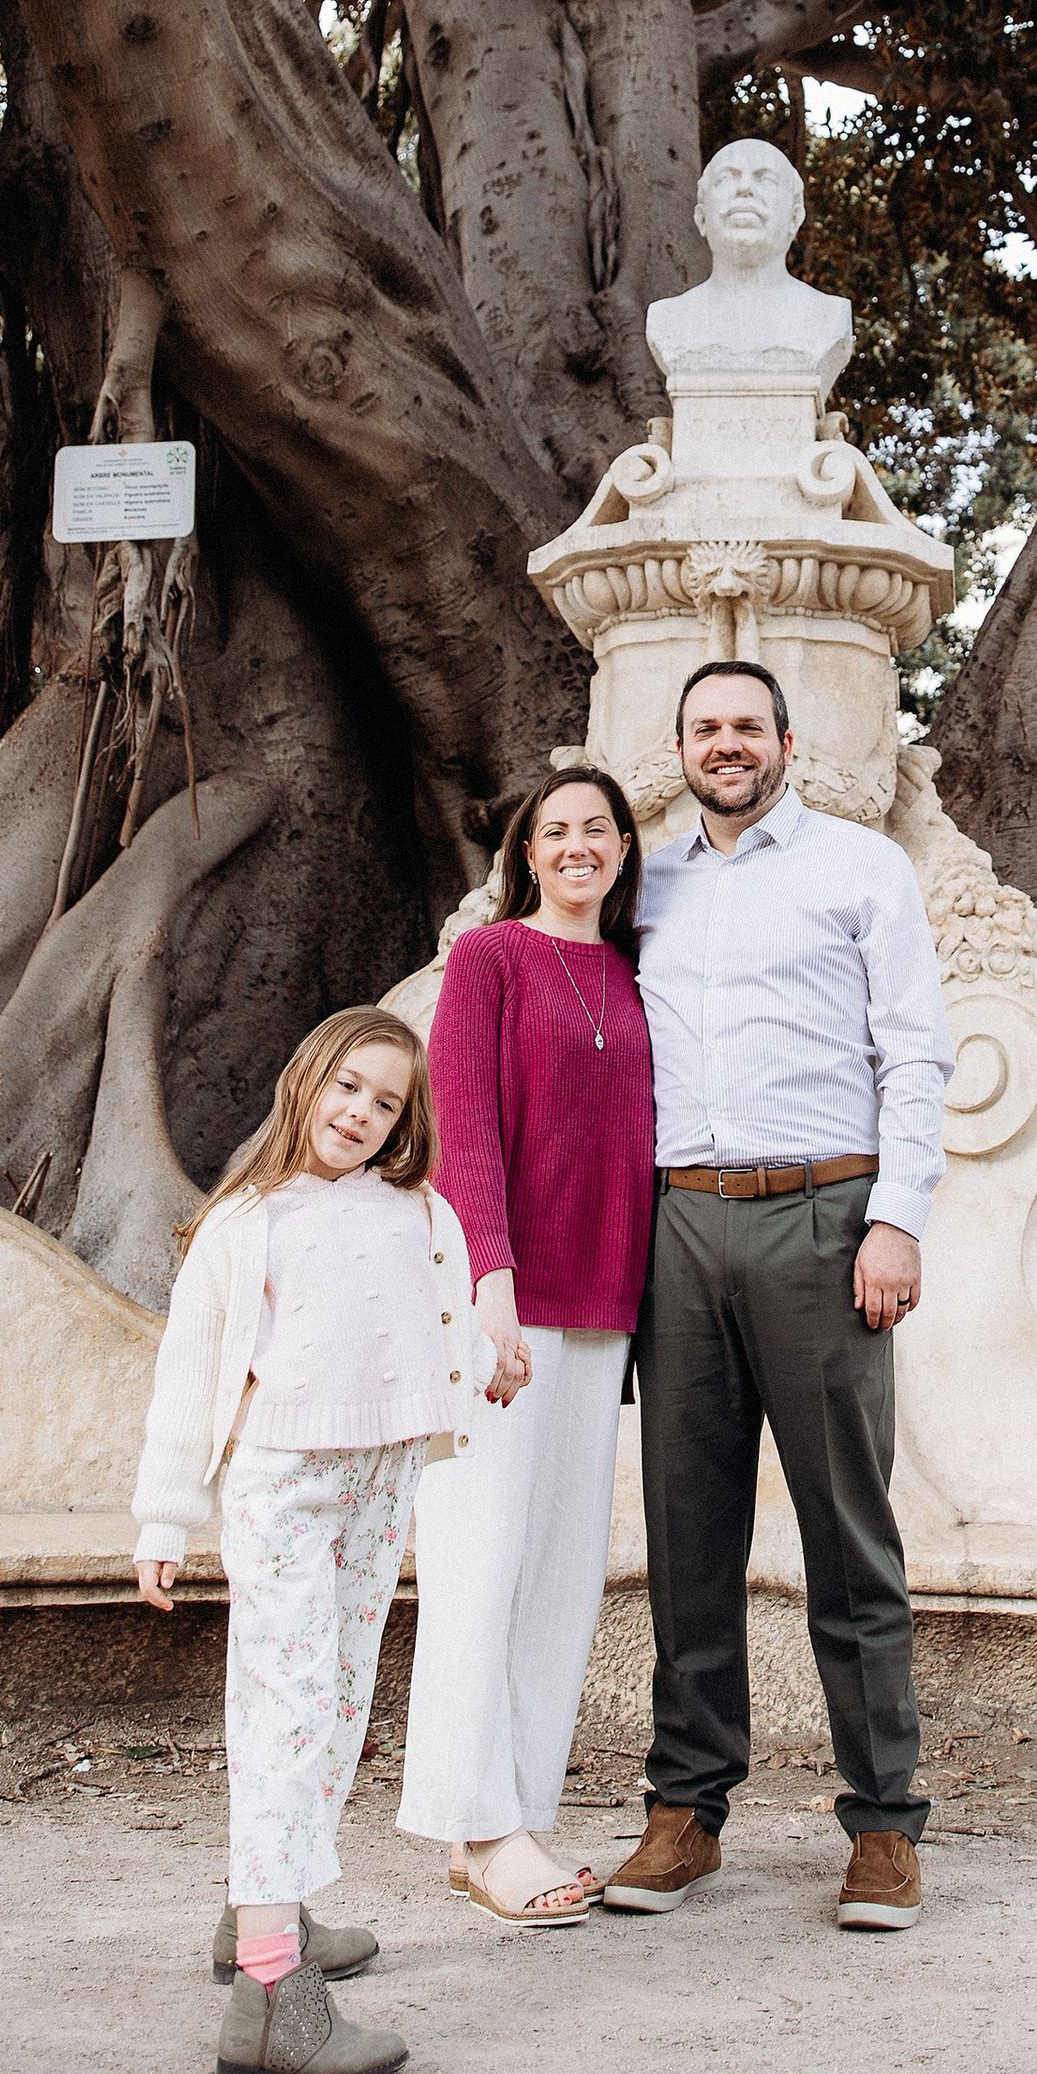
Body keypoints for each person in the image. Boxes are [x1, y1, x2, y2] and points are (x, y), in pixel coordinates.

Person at [603, 657, 950, 1934]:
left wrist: (897, 1220)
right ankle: (685, 1809)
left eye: (748, 725)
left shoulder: (862, 869)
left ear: (787, 745)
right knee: (686, 1532)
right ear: (680, 748)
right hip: (679, 1224)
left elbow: (914, 1052)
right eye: (706, 727)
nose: (727, 744)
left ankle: (883, 1825)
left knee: (847, 1534)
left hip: (824, 1217)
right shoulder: (646, 884)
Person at [132, 1004, 481, 2074]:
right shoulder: (248, 1223)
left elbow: (433, 1323)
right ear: (306, 1082)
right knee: (284, 1707)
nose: (361, 1113)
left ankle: (263, 1911)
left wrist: (487, 1365)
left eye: (386, 1102)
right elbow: (190, 1373)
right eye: (347, 1086)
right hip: (285, 1487)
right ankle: (274, 2000)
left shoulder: (418, 1212)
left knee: (338, 1701)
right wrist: (164, 1517)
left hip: (382, 1483)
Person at [396, 764, 656, 1924]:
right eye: (556, 830)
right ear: (526, 853)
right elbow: (462, 1132)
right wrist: (487, 1285)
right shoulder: (490, 958)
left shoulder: (637, 971)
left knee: (557, 1576)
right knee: (478, 1562)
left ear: (624, 848)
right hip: (502, 1305)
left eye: (598, 828)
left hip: (604, 1309)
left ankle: (511, 1822)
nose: (577, 845)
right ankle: (476, 1821)